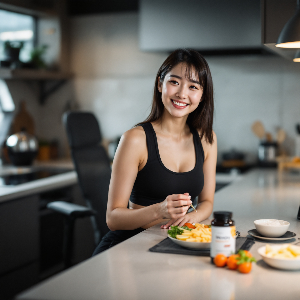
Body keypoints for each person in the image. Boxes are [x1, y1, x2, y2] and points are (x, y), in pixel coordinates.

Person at [93, 48, 217, 255]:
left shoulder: (207, 139)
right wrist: (159, 210)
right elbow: (113, 219)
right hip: (129, 244)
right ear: (160, 84)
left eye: (193, 86)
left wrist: (191, 218)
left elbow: (207, 202)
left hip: (177, 243)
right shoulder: (135, 139)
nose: (182, 94)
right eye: (174, 82)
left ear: (202, 95)